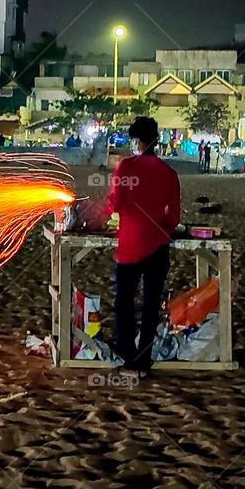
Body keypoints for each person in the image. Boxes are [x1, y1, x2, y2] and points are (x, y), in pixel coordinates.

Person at [107, 116, 181, 377]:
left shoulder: (126, 167)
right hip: (158, 246)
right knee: (151, 306)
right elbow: (174, 218)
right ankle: (144, 360)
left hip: (130, 246)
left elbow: (114, 203)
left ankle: (129, 360)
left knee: (124, 304)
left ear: (136, 141)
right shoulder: (169, 173)